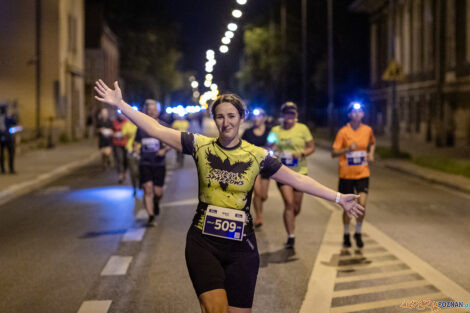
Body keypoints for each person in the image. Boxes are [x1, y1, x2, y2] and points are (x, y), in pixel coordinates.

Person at [94, 80, 363, 313]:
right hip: (203, 243)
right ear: (214, 119)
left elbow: (297, 179)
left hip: (241, 249)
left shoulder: (257, 156)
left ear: (241, 118)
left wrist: (339, 198)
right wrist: (122, 105)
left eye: (232, 116)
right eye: (220, 116)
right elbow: (156, 129)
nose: (226, 122)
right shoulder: (200, 146)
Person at [268, 102, 315, 249]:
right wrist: (273, 149)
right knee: (289, 203)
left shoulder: (303, 129)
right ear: (282, 115)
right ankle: (291, 236)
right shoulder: (276, 130)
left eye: (292, 114)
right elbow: (270, 145)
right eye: (287, 113)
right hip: (282, 172)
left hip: (300, 172)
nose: (290, 116)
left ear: (296, 115)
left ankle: (289, 221)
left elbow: (311, 147)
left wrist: (301, 153)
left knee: (296, 208)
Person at [332, 102, 375, 248]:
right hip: (346, 175)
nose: (357, 114)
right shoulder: (343, 132)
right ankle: (345, 234)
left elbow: (372, 143)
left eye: (360, 111)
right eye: (354, 112)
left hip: (363, 173)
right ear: (349, 115)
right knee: (348, 208)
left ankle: (358, 232)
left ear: (363, 114)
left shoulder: (368, 130)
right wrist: (347, 149)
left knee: (362, 205)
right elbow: (334, 153)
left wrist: (371, 154)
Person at [134, 99, 172, 226]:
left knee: (158, 192)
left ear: (158, 111)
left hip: (159, 163)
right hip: (145, 162)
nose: (151, 112)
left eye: (154, 110)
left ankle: (156, 203)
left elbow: (171, 143)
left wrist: (164, 150)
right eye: (149, 110)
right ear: (146, 111)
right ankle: (150, 216)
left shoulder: (163, 126)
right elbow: (136, 142)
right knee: (148, 189)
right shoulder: (141, 127)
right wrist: (135, 149)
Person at [241, 109, 271, 228]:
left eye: (259, 116)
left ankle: (259, 209)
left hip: (267, 165)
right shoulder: (247, 132)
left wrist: (271, 148)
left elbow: (274, 144)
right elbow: (242, 146)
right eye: (254, 116)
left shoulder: (270, 131)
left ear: (264, 117)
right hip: (253, 166)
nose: (256, 118)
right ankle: (259, 217)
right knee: (257, 192)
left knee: (264, 195)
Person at [122, 118, 139, 196]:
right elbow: (123, 136)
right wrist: (126, 135)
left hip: (140, 150)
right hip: (130, 150)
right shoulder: (126, 125)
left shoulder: (139, 124)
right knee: (133, 172)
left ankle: (141, 184)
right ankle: (134, 188)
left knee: (140, 171)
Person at [0, 104, 17, 174]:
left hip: (0, 138)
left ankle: (3, 169)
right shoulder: (8, 117)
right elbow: (15, 122)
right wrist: (13, 115)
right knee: (11, 153)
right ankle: (11, 169)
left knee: (1, 154)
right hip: (8, 138)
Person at [112, 112, 129, 184]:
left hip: (126, 144)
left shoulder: (127, 122)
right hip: (117, 143)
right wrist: (114, 134)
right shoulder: (114, 122)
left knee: (126, 160)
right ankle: (120, 175)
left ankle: (124, 172)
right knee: (119, 159)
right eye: (120, 114)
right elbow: (111, 132)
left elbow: (131, 132)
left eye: (122, 114)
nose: (121, 115)